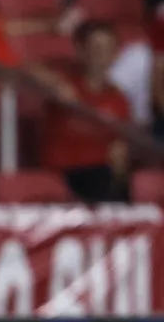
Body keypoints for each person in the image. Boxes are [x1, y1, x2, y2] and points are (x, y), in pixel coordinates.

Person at [41, 20, 132, 203]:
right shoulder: (64, 84)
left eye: (107, 48)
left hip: (99, 175)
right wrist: (54, 84)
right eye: (95, 47)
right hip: (61, 173)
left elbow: (120, 145)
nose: (101, 54)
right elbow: (24, 70)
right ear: (81, 50)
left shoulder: (119, 98)